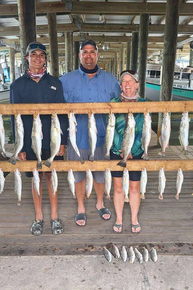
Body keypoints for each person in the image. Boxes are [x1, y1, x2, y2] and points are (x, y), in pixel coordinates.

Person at [60, 40, 121, 226]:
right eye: (84, 52)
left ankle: (100, 203)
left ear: (97, 55)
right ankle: (80, 207)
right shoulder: (65, 80)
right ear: (79, 55)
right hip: (75, 138)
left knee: (100, 174)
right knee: (78, 175)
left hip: (102, 136)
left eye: (92, 52)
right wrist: (61, 141)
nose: (88, 55)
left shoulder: (111, 80)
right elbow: (58, 111)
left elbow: (119, 109)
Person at [10, 42, 68, 236]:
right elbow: (13, 117)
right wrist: (19, 146)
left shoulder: (55, 83)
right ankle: (38, 218)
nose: (37, 58)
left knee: (52, 177)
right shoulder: (17, 85)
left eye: (41, 55)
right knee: (36, 178)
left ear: (45, 59)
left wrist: (63, 141)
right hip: (28, 140)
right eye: (33, 54)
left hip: (52, 139)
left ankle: (54, 217)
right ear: (27, 58)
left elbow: (62, 114)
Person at [111, 70, 146, 234]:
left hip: (136, 151)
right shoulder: (113, 102)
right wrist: (122, 148)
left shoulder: (145, 103)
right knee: (118, 187)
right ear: (120, 85)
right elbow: (111, 128)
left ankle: (134, 219)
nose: (127, 84)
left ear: (137, 84)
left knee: (134, 187)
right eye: (124, 81)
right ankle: (119, 218)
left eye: (130, 81)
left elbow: (144, 131)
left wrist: (133, 149)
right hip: (116, 150)